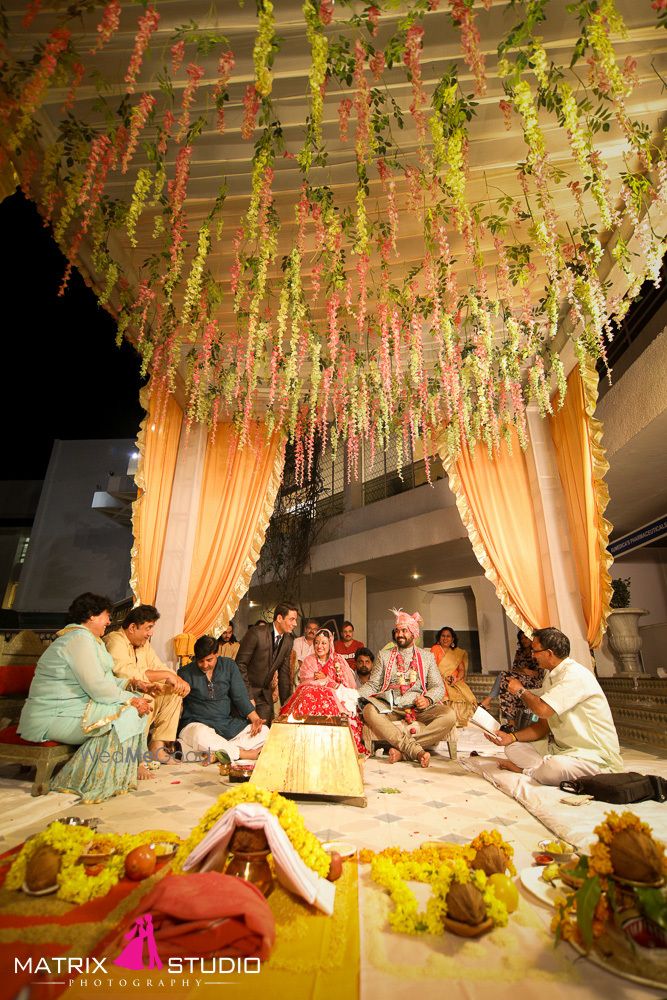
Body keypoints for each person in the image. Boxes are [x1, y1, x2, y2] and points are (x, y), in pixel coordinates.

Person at [18, 592, 154, 801]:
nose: (109, 622)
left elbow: (104, 680)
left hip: (75, 709)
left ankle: (125, 771)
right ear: (91, 616)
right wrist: (131, 700)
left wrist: (132, 684)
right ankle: (89, 778)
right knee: (128, 712)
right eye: (106, 616)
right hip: (53, 715)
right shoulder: (78, 639)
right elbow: (97, 686)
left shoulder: (91, 640)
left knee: (137, 704)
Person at [484, 627, 623, 784]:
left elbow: (542, 710)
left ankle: (529, 771)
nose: (532, 655)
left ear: (549, 653)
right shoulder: (550, 676)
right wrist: (511, 737)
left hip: (593, 756)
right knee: (512, 747)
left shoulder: (575, 675)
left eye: (535, 651)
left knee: (555, 765)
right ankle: (541, 771)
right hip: (561, 751)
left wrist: (521, 691)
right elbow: (542, 726)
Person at [359, 609, 456, 767]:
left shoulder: (427, 657)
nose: (399, 634)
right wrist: (350, 695)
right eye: (397, 631)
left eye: (404, 630)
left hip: (419, 708)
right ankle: (414, 750)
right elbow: (373, 685)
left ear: (413, 633)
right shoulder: (384, 655)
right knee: (369, 710)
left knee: (449, 715)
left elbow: (438, 686)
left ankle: (404, 752)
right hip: (391, 706)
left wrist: (427, 699)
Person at [104, 604, 190, 763]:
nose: (151, 633)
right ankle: (135, 754)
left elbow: (158, 666)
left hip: (141, 691)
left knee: (173, 693)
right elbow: (124, 672)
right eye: (148, 628)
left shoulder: (143, 645)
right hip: (120, 696)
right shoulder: (115, 640)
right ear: (132, 628)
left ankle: (157, 749)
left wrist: (179, 681)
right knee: (146, 694)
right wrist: (164, 675)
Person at [177, 635, 268, 764]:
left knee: (264, 731)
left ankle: (217, 752)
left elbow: (240, 696)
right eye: (200, 661)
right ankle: (242, 753)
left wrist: (255, 719)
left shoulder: (228, 666)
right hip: (196, 724)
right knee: (200, 735)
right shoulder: (185, 673)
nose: (205, 665)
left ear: (217, 654)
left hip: (225, 725)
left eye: (209, 660)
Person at [280, 628, 367, 754]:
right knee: (307, 694)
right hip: (311, 695)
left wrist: (327, 681)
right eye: (317, 642)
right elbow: (306, 681)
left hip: (335, 696)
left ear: (330, 643)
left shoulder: (338, 660)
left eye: (323, 643)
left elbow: (346, 685)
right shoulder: (309, 660)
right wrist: (322, 684)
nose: (319, 646)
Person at [235, 603, 297, 722]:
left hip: (264, 695)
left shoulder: (288, 641)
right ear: (279, 618)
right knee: (245, 732)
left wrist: (286, 707)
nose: (295, 624)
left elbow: (284, 675)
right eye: (292, 619)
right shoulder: (256, 632)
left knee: (265, 731)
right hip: (246, 691)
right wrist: (248, 695)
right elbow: (240, 664)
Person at [480, 630, 545, 729]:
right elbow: (515, 668)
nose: (524, 640)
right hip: (519, 678)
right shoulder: (520, 652)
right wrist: (523, 671)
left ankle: (489, 703)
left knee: (504, 676)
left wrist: (523, 671)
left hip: (534, 681)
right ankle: (511, 724)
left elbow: (537, 673)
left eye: (526, 638)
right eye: (521, 638)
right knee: (507, 683)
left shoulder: (537, 652)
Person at [430, 625, 477, 726]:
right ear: (439, 638)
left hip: (455, 680)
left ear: (452, 639)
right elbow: (431, 667)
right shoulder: (435, 649)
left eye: (448, 636)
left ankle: (460, 719)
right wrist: (443, 678)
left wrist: (456, 678)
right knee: (443, 689)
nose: (445, 638)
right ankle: (447, 719)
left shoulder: (457, 652)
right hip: (439, 679)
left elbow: (461, 670)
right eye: (443, 636)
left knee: (462, 692)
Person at [290, 618, 319, 687]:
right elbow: (298, 661)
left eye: (315, 629)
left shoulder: (319, 644)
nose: (312, 631)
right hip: (298, 675)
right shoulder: (297, 641)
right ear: (305, 629)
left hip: (316, 677)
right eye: (309, 628)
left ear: (318, 632)